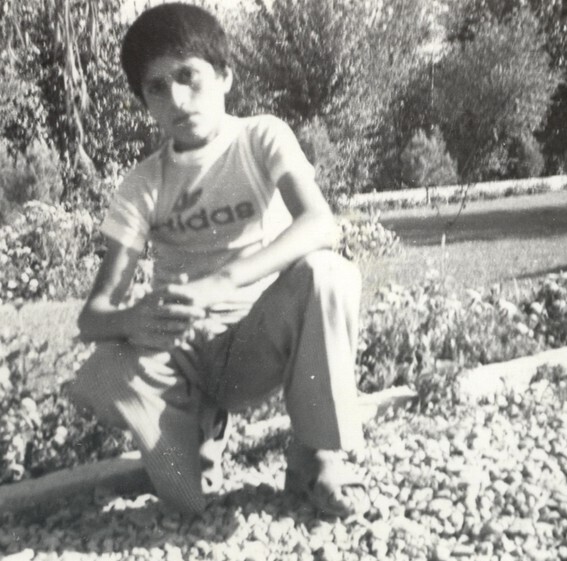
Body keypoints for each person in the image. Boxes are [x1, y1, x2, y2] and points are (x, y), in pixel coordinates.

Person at [70, 2, 366, 516]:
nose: (177, 99)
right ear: (144, 101)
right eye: (156, 88)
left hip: (257, 341)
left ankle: (315, 456)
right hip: (183, 351)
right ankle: (197, 440)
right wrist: (131, 318)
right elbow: (93, 317)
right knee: (114, 384)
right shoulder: (144, 183)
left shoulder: (259, 138)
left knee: (328, 273)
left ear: (225, 76)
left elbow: (321, 224)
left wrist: (223, 281)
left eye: (189, 76)